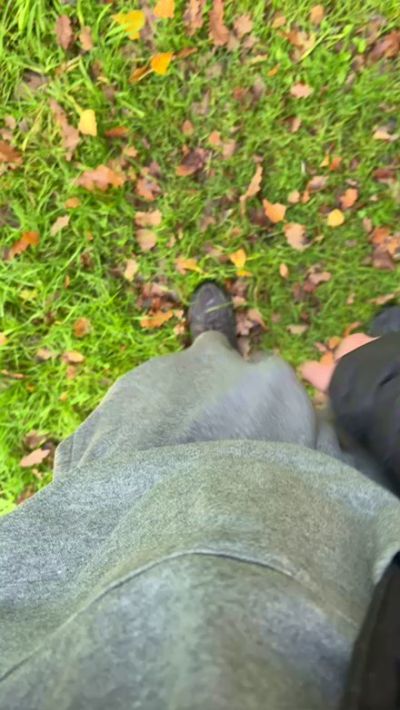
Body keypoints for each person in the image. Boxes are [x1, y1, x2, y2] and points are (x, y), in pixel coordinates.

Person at [1, 282, 400, 710]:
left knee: (191, 390)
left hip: (125, 504)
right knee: (350, 435)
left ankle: (211, 345)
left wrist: (377, 376)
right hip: (372, 523)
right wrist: (380, 375)